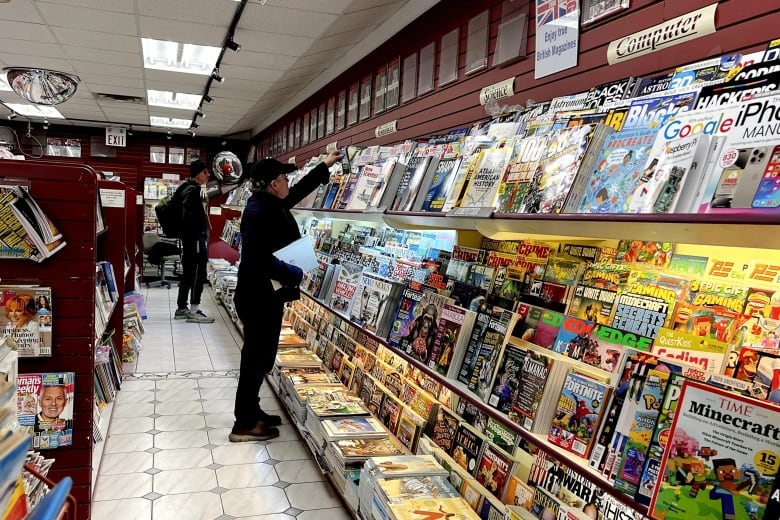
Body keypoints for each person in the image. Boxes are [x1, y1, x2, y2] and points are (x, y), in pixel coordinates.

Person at [230, 149, 343, 442]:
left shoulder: (269, 203)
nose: (287, 183)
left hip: (265, 295)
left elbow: (298, 191)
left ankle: (252, 411)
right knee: (255, 359)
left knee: (262, 356)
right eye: (283, 178)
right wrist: (294, 274)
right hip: (258, 297)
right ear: (273, 183)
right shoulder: (259, 211)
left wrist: (324, 166)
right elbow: (257, 260)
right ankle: (243, 422)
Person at [174, 160, 215, 323]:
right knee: (199, 273)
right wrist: (199, 233)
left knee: (189, 273)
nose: (208, 175)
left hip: (188, 240)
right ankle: (194, 310)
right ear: (198, 174)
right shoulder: (193, 191)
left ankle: (181, 308)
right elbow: (189, 216)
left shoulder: (184, 187)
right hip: (195, 239)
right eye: (206, 172)